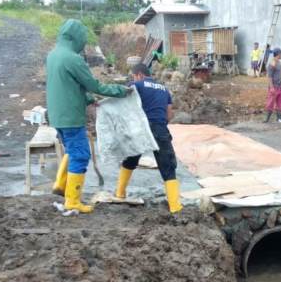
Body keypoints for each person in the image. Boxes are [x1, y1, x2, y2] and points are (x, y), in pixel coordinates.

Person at [47, 19, 128, 214]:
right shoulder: (72, 59)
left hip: (57, 115)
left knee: (72, 150)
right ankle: (72, 201)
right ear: (77, 38)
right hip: (71, 117)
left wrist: (88, 99)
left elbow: (68, 86)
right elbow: (94, 85)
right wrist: (120, 90)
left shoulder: (53, 55)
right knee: (81, 154)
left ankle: (60, 184)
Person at [115, 64, 183, 214]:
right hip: (159, 128)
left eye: (133, 76)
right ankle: (174, 206)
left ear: (139, 75)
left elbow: (123, 98)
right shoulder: (164, 89)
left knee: (131, 159)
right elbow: (169, 115)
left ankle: (120, 193)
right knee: (168, 165)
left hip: (140, 128)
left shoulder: (136, 84)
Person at [264, 47, 281, 123]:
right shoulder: (272, 63)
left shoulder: (278, 62)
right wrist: (271, 87)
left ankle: (279, 118)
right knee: (270, 102)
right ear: (278, 54)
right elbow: (269, 77)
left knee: (280, 102)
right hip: (274, 87)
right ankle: (266, 119)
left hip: (280, 86)